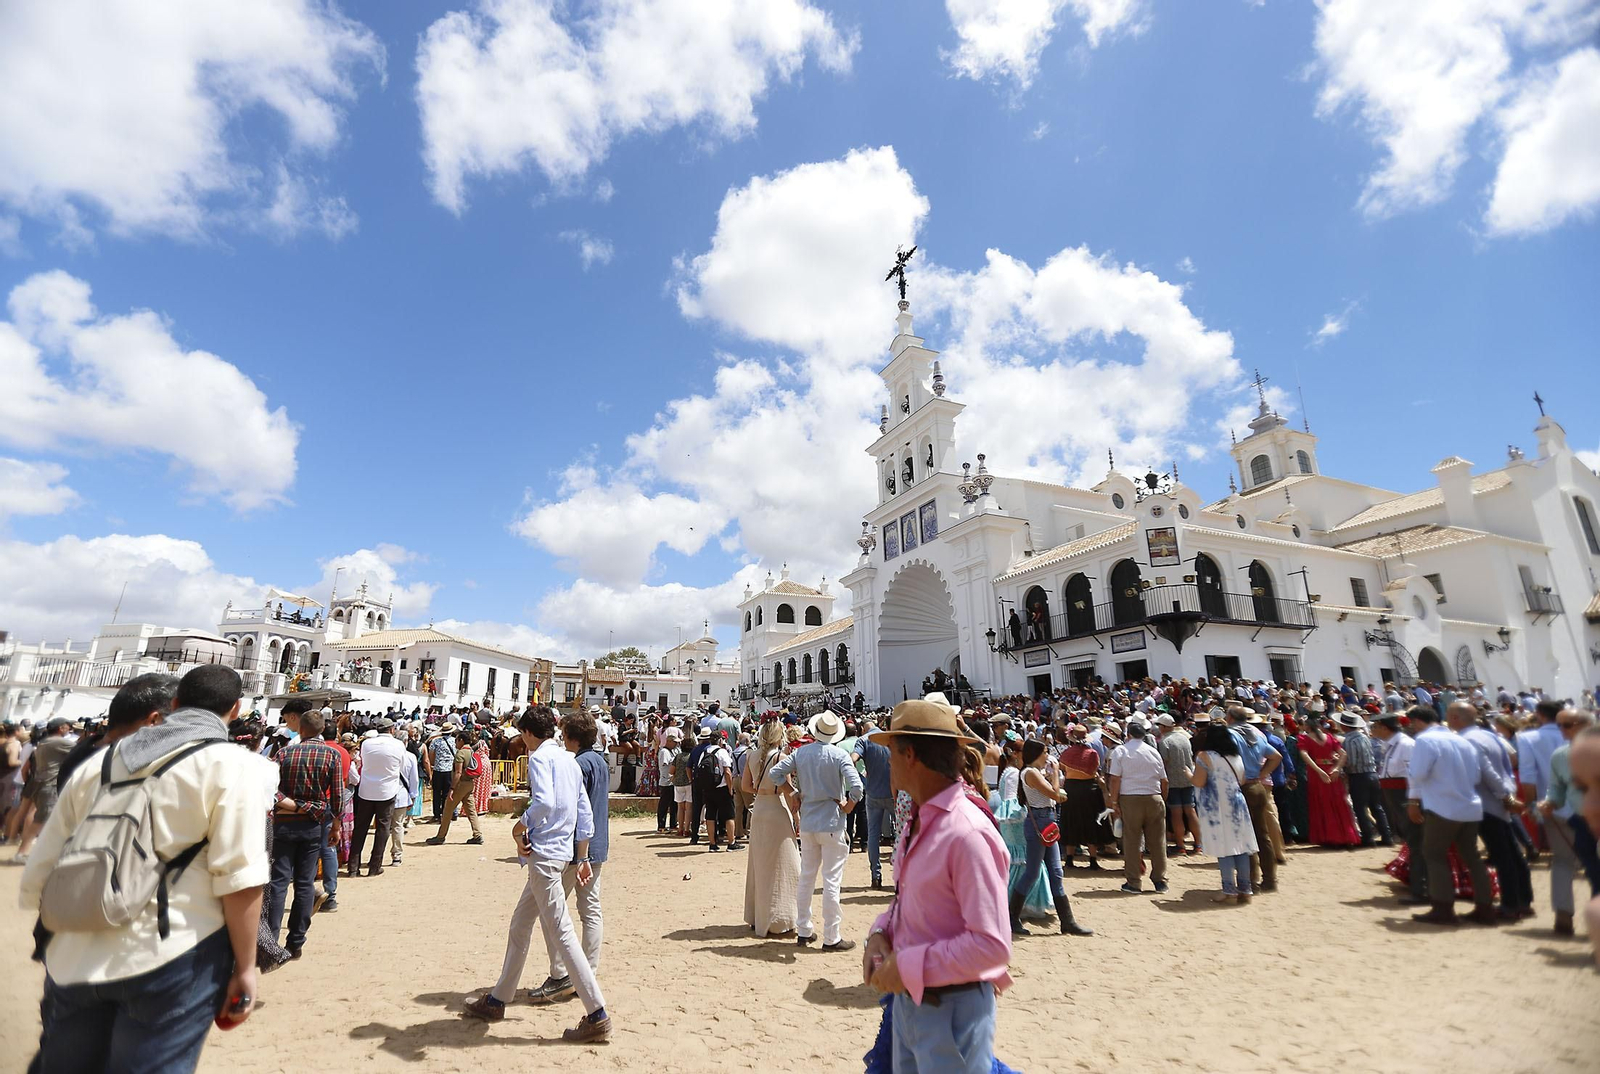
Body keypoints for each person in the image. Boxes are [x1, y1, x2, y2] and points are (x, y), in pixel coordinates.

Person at [21, 664, 275, 1071]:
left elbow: (44, 864)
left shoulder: (101, 762)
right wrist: (246, 968)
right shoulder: (232, 765)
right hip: (173, 951)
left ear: (175, 704)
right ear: (235, 709)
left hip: (73, 952)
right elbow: (240, 878)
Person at [862, 696, 1012, 1073]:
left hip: (952, 1010)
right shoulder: (921, 819)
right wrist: (881, 932)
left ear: (910, 755)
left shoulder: (967, 833)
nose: (888, 763)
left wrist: (908, 963)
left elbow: (992, 946)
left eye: (891, 753)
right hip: (916, 1004)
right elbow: (910, 900)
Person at [464, 707, 610, 1042]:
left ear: (529, 733)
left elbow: (543, 802)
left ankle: (597, 1013)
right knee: (521, 923)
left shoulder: (541, 758)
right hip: (562, 854)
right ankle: (499, 998)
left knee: (561, 931)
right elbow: (584, 814)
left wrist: (520, 827)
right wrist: (582, 856)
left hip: (545, 855)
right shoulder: (569, 760)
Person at [525, 710, 610, 1005]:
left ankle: (562, 974)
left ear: (571, 737)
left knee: (554, 915)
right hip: (597, 845)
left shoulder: (577, 763)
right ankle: (587, 974)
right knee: (590, 910)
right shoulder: (599, 761)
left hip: (574, 849)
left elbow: (568, 808)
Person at [769, 711, 863, 950]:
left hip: (809, 822)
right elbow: (857, 786)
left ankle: (804, 930)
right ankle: (831, 936)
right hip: (831, 822)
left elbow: (775, 773)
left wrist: (793, 793)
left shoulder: (802, 752)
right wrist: (848, 805)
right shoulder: (839, 755)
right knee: (831, 880)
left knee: (807, 877)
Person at [1406, 705, 1508, 926]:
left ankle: (1443, 908)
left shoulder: (1425, 740)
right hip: (1469, 806)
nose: (1412, 727)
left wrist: (1413, 801)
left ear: (1419, 721)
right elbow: (1477, 775)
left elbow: (1417, 774)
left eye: (1412, 723)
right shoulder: (1463, 741)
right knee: (1471, 856)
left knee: (1434, 854)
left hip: (1442, 805)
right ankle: (1485, 908)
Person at [266, 705, 342, 958]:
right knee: (305, 883)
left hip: (284, 823)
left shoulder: (284, 753)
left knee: (278, 883)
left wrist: (291, 804)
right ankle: (296, 941)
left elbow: (269, 787)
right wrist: (335, 824)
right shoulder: (331, 755)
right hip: (313, 824)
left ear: (301, 728)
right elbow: (337, 796)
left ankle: (270, 942)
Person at [1457, 703, 1534, 920]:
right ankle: (1523, 901)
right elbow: (1508, 766)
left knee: (1503, 856)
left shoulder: (1468, 740)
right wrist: (1508, 793)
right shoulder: (1490, 735)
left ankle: (1511, 905)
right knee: (1511, 853)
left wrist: (1505, 796)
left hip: (1487, 803)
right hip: (1499, 800)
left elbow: (1487, 772)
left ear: (1454, 718)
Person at [1008, 740, 1092, 937]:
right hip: (1040, 821)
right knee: (1032, 872)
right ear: (1037, 753)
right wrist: (1054, 772)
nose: (1047, 756)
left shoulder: (1034, 772)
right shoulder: (1030, 772)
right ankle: (1012, 917)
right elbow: (1054, 794)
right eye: (1045, 752)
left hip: (1045, 820)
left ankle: (1067, 921)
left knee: (1056, 871)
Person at [1539, 709, 1598, 935]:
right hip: (1583, 822)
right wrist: (1550, 802)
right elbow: (1557, 788)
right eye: (1559, 724)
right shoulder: (1560, 756)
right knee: (1594, 874)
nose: (1561, 729)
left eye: (1567, 724)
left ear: (1587, 725)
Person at [743, 720, 801, 937]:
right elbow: (788, 790)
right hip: (776, 808)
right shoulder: (781, 757)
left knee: (759, 864)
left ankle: (757, 916)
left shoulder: (751, 756)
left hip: (759, 809)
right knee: (786, 864)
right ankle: (780, 918)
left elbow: (745, 786)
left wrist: (760, 789)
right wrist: (796, 817)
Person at [1190, 722, 1259, 903]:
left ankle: (1229, 890)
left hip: (1216, 806)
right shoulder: (1236, 756)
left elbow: (1199, 782)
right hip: (1237, 804)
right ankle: (1245, 889)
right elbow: (1242, 780)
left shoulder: (1204, 756)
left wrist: (1188, 775)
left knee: (1223, 847)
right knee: (1241, 846)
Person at [992, 737, 1051, 926]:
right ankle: (1018, 907)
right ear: (1016, 755)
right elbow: (1012, 801)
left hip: (1013, 822)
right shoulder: (1013, 773)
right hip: (1015, 822)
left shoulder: (1009, 771)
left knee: (1022, 863)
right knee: (1023, 863)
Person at [1108, 716, 1169, 895]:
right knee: (1158, 841)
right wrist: (1162, 798)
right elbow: (1164, 780)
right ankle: (1160, 880)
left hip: (1130, 798)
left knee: (1132, 841)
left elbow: (1115, 779)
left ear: (1128, 735)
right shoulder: (1153, 752)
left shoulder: (1121, 751)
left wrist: (1114, 801)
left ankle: (1134, 882)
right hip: (1154, 797)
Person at [1372, 715, 1428, 904]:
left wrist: (1414, 802)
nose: (1373, 730)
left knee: (1415, 841)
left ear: (1384, 727)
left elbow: (1414, 776)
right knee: (1410, 839)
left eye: (1375, 726)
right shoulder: (1391, 744)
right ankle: (1418, 885)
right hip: (1396, 796)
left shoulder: (1405, 744)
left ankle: (1421, 889)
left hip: (1405, 796)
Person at [14, 717, 77, 862]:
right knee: (41, 820)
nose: (69, 729)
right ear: (60, 728)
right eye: (67, 726)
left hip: (42, 784)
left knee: (42, 819)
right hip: (49, 786)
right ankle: (22, 853)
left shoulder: (46, 741)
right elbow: (80, 750)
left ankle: (29, 852)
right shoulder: (58, 742)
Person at [350, 720, 406, 875]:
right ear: (392, 729)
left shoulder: (367, 744)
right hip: (387, 791)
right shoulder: (398, 745)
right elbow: (401, 766)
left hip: (366, 791)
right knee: (382, 829)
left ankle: (353, 866)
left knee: (360, 828)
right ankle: (375, 866)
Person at [1297, 712, 1359, 848]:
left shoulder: (1304, 738)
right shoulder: (1329, 737)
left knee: (1322, 803)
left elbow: (1305, 756)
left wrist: (1319, 771)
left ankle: (1329, 837)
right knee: (1338, 803)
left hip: (1317, 774)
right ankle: (1345, 836)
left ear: (1307, 725)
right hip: (1332, 772)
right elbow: (1343, 754)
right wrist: (1336, 768)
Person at [1057, 724, 1111, 869]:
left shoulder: (1066, 753)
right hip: (1089, 790)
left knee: (1070, 821)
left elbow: (1063, 768)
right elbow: (1094, 770)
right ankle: (1093, 859)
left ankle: (1069, 859)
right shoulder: (1092, 754)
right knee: (1091, 822)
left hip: (1071, 789)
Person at [853, 718, 895, 889]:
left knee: (873, 836)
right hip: (893, 793)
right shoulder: (889, 738)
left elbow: (852, 759)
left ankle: (875, 876)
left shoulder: (863, 740)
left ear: (863, 728)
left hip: (873, 794)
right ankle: (900, 875)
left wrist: (861, 780)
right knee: (901, 835)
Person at [427, 728, 486, 846]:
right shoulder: (471, 751)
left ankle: (441, 836)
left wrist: (452, 789)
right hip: (470, 784)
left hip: (460, 784)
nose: (455, 743)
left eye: (457, 740)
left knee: (447, 810)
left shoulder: (460, 753)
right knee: (471, 811)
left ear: (461, 740)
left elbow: (458, 772)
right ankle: (477, 834)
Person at [1157, 714, 1199, 854]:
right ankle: (1198, 844)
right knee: (1190, 811)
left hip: (1173, 781)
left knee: (1176, 813)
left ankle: (1180, 845)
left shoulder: (1165, 742)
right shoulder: (1184, 738)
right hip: (1188, 779)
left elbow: (1164, 762)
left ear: (1163, 727)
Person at [386, 724, 420, 866]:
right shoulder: (410, 757)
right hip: (401, 794)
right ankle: (397, 855)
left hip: (386, 794)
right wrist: (413, 795)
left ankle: (377, 856)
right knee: (398, 825)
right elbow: (414, 779)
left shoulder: (387, 755)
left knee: (384, 826)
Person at [426, 724, 458, 821]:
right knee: (446, 793)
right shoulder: (454, 741)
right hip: (449, 770)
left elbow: (431, 755)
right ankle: (445, 814)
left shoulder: (435, 741)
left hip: (438, 769)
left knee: (436, 793)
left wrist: (434, 764)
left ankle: (436, 815)